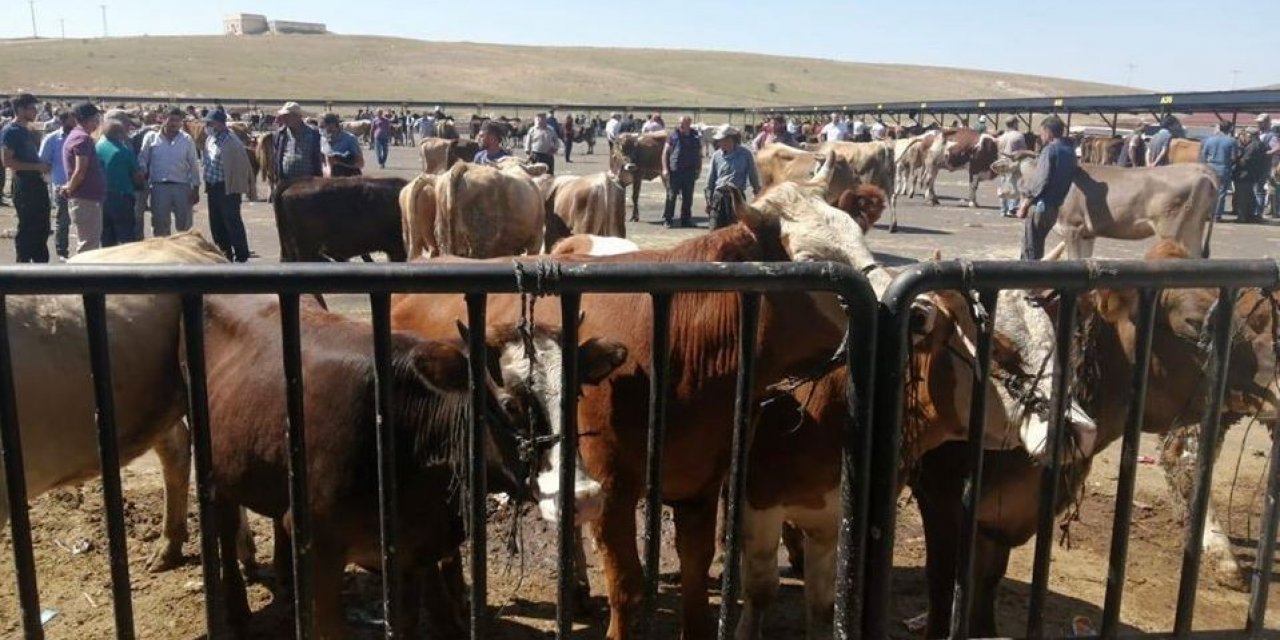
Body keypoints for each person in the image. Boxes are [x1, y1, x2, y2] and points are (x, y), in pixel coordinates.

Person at [1, 93, 53, 262]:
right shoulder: (11, 131)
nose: (35, 111)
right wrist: (37, 167)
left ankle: (40, 267)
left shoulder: (29, 130)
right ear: (20, 109)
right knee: (28, 227)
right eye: (32, 108)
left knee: (42, 227)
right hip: (24, 185)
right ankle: (22, 268)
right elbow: (8, 161)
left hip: (37, 183)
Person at [1017, 115, 1076, 260]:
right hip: (1055, 208)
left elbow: (1041, 181)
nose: (1041, 137)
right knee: (1038, 243)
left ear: (1048, 133)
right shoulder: (1070, 152)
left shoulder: (1050, 150)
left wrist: (1025, 202)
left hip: (1040, 206)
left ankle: (1029, 277)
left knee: (1030, 247)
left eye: (1042, 133)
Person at [139, 108, 201, 236]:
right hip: (159, 187)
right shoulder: (151, 138)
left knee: (185, 227)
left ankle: (184, 254)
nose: (174, 123)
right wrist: (142, 174)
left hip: (182, 187)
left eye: (178, 120)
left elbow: (193, 165)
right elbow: (142, 159)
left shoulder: (187, 140)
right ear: (163, 119)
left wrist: (195, 188)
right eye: (171, 119)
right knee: (160, 225)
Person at [202, 110, 255, 262]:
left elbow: (241, 166)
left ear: (219, 123)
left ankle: (241, 255)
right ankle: (224, 253)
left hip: (228, 187)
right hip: (213, 187)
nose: (207, 126)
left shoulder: (232, 142)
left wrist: (242, 186)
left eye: (210, 123)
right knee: (216, 222)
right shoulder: (210, 139)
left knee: (232, 221)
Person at [59, 102, 108, 255]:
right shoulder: (82, 139)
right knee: (88, 246)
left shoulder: (77, 136)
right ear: (89, 119)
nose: (98, 123)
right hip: (85, 199)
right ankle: (83, 278)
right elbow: (80, 171)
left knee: (88, 242)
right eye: (96, 119)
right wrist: (70, 188)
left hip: (85, 198)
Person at [95, 119, 143, 247]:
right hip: (122, 197)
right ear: (121, 133)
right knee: (126, 237)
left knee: (106, 237)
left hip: (101, 197)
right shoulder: (123, 151)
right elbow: (137, 175)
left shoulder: (97, 147)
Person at [704, 125, 760, 229]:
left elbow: (753, 175)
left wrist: (758, 193)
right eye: (719, 141)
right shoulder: (716, 156)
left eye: (722, 140)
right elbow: (710, 180)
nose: (720, 143)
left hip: (737, 196)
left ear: (730, 139)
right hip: (719, 196)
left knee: (736, 230)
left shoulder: (745, 154)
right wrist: (708, 201)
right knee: (715, 230)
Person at [38, 111, 74, 259]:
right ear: (63, 121)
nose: (75, 123)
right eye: (72, 121)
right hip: (61, 186)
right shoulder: (52, 139)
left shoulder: (80, 137)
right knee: (63, 220)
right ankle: (62, 251)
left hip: (79, 185)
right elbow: (42, 161)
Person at [661, 116, 702, 228]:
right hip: (675, 171)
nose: (680, 125)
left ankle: (686, 219)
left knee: (688, 197)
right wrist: (665, 168)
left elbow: (699, 154)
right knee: (671, 196)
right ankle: (668, 219)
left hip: (690, 171)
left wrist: (699, 169)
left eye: (683, 123)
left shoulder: (695, 136)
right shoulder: (672, 135)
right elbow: (665, 153)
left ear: (689, 124)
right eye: (679, 123)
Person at [273, 101, 324, 189]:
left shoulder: (314, 133)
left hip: (309, 183)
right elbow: (276, 156)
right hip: (286, 182)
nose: (284, 119)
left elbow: (320, 157)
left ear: (297, 117)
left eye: (287, 116)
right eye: (284, 116)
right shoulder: (280, 134)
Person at [1199, 121, 1237, 222]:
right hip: (1223, 168)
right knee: (1221, 193)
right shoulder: (1231, 141)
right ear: (1230, 129)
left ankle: (1205, 213)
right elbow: (1233, 157)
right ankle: (1216, 215)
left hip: (1209, 168)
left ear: (1219, 128)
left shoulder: (1209, 140)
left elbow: (1203, 155)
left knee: (1208, 192)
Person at [1233, 127, 1268, 223]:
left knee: (1243, 197)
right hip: (1252, 174)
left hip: (1245, 174)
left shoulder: (1253, 145)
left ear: (1250, 135)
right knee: (1249, 196)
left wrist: (1235, 160)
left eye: (1247, 134)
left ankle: (1242, 217)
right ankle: (1249, 215)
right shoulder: (1259, 144)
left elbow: (1245, 160)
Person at [996, 117, 1027, 217]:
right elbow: (1023, 150)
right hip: (1014, 164)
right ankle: (1011, 208)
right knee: (1015, 186)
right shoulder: (1019, 136)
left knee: (1003, 185)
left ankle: (1002, 209)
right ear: (1014, 124)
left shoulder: (1001, 137)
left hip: (1002, 164)